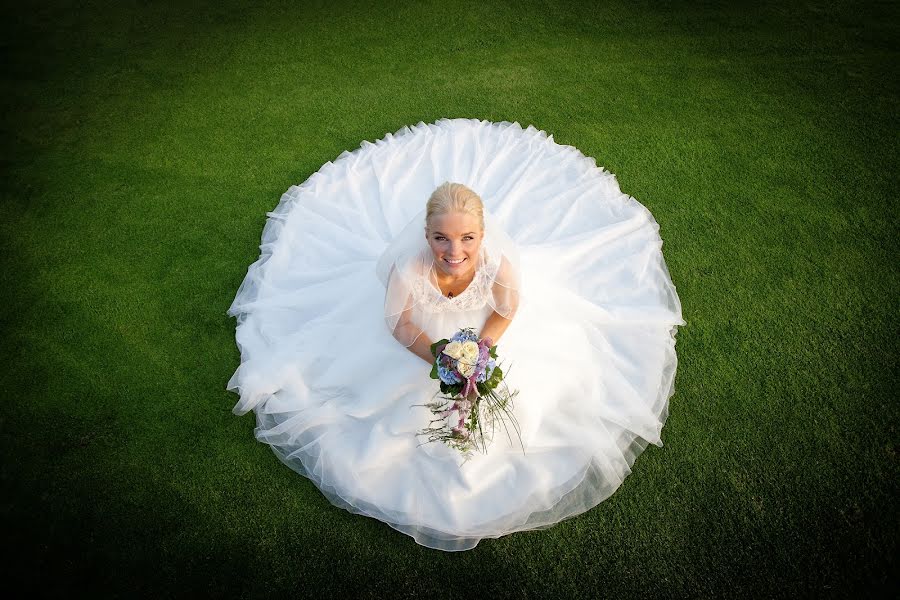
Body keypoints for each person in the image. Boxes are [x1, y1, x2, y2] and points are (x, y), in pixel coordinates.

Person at [226, 118, 686, 552]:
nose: (454, 251)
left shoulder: (495, 263)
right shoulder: (408, 271)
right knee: (378, 404)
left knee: (536, 397)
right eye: (441, 238)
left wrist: (480, 350)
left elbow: (507, 309)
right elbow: (401, 325)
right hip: (425, 343)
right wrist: (443, 359)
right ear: (425, 234)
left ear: (483, 235)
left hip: (479, 335)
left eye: (467, 238)